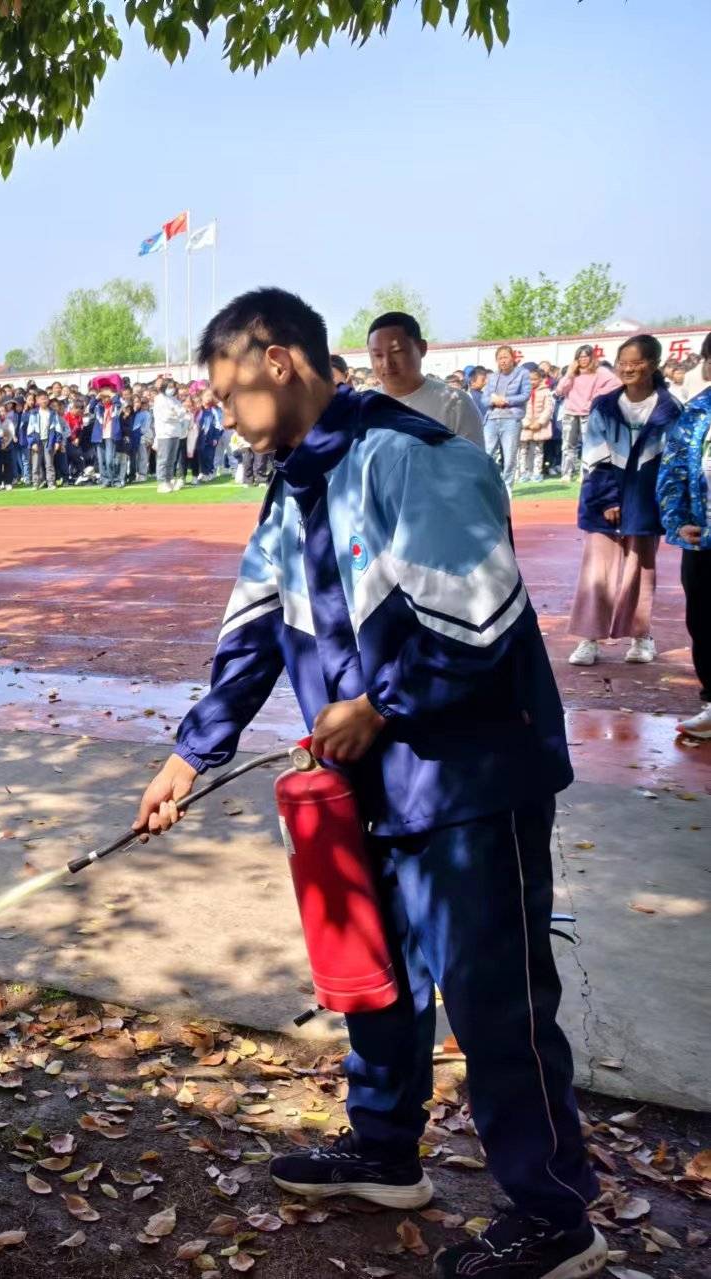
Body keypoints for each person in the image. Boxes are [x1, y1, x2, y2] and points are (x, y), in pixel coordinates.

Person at [135, 288, 601, 1279]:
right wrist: (188, 756)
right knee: (376, 979)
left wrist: (377, 704)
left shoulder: (410, 456)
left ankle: (556, 1217)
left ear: (277, 363)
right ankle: (385, 1149)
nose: (219, 415)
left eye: (225, 392)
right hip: (370, 786)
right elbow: (253, 632)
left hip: (466, 782)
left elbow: (480, 619)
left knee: (494, 1004)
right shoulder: (294, 486)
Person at [565, 335, 680, 667]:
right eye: (623, 362)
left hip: (647, 503)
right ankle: (590, 639)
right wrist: (607, 499)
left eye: (636, 362)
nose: (628, 368)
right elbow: (595, 457)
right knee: (596, 572)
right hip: (604, 501)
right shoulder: (605, 406)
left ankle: (641, 637)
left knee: (640, 570)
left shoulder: (670, 409)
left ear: (654, 364)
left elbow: (672, 462)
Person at [658, 332, 711, 738]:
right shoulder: (697, 413)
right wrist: (677, 520)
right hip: (704, 541)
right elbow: (674, 470)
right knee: (705, 621)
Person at [364, 312, 485, 446]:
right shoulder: (365, 405)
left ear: (422, 348)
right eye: (378, 355)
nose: (387, 363)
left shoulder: (455, 403)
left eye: (396, 351)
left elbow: (472, 463)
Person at [553, 346, 620, 484]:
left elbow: (616, 384)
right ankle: (566, 473)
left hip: (588, 413)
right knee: (567, 445)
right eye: (580, 357)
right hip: (570, 412)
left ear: (591, 357)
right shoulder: (573, 373)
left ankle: (585, 472)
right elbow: (559, 390)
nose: (583, 359)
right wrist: (569, 374)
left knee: (588, 444)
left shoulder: (600, 371)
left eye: (585, 356)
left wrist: (596, 396)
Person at [483, 345, 529, 487]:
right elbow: (484, 399)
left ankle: (508, 486)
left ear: (512, 358)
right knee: (488, 453)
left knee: (509, 456)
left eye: (505, 357)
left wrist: (506, 400)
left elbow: (525, 395)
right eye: (500, 358)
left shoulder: (522, 373)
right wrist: (493, 400)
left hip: (511, 418)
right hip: (491, 418)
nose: (502, 361)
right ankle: (489, 484)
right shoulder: (492, 377)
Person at [517, 365, 555, 484]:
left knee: (538, 450)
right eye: (529, 379)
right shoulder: (521, 392)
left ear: (540, 379)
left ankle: (537, 472)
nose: (531, 382)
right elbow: (519, 408)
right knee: (523, 450)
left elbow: (549, 409)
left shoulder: (546, 391)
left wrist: (539, 422)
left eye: (534, 379)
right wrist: (526, 423)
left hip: (539, 427)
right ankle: (524, 472)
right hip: (525, 427)